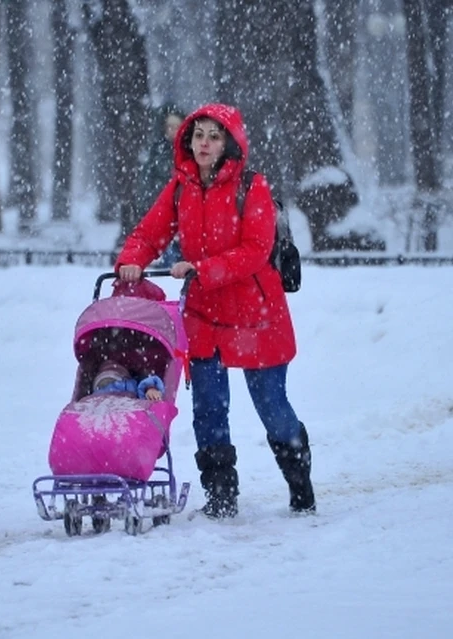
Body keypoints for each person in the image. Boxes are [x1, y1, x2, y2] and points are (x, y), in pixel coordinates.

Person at [114, 103, 315, 519]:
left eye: (213, 136)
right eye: (198, 134)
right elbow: (148, 233)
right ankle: (221, 497)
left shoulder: (252, 187)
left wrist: (202, 268)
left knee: (272, 407)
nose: (203, 143)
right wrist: (131, 259)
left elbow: (256, 251)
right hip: (205, 316)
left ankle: (300, 486)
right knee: (208, 408)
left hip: (256, 314)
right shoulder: (181, 187)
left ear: (229, 145)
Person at [134, 103, 186, 265]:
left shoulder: (191, 150)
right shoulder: (157, 151)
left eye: (176, 126)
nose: (172, 130)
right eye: (169, 126)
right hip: (165, 211)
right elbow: (147, 181)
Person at [92, 359, 164, 401]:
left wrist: (150, 389)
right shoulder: (129, 385)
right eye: (104, 384)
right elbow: (143, 385)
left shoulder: (128, 385)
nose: (109, 385)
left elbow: (143, 385)